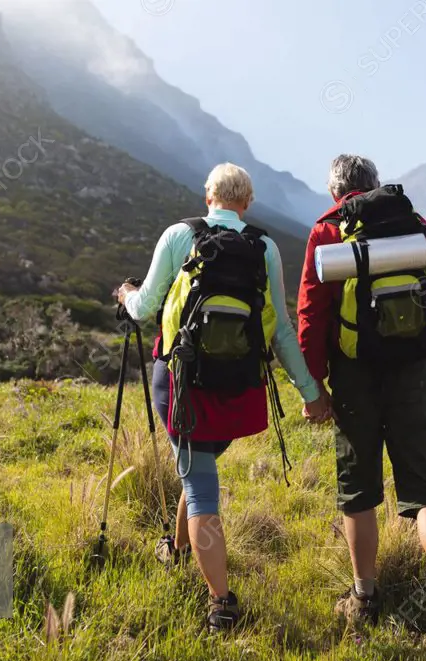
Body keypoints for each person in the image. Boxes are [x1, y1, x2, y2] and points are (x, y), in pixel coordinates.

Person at [117, 162, 332, 631]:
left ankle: (220, 602)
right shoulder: (265, 247)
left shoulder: (179, 236)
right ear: (247, 203)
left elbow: (145, 306)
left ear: (207, 197)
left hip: (181, 384)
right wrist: (311, 393)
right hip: (239, 389)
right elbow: (281, 333)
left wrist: (126, 294)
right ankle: (174, 550)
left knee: (199, 486)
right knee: (198, 471)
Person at [296, 154, 426, 659]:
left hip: (354, 376)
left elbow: (312, 312)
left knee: (358, 490)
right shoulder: (414, 225)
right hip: (414, 371)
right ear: (375, 185)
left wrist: (315, 388)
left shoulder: (330, 230)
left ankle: (365, 596)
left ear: (337, 192)